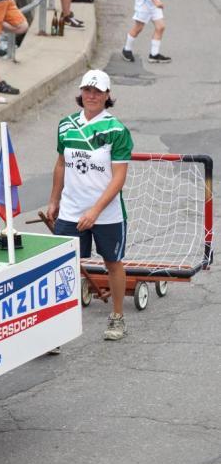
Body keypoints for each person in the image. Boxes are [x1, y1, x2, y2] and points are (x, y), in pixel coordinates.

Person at [47, 70, 133, 341]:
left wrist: (95, 210)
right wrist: (54, 200)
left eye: (98, 92)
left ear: (107, 96)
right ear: (81, 93)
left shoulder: (116, 130)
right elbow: (61, 164)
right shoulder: (65, 125)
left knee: (113, 262)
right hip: (71, 209)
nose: (92, 96)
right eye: (87, 90)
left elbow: (119, 176)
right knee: (62, 265)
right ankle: (58, 325)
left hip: (106, 213)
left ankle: (117, 317)